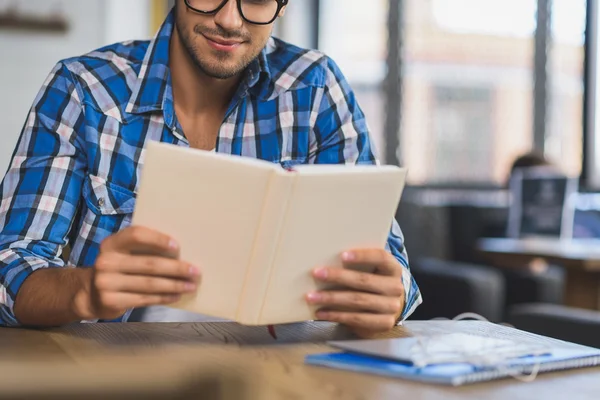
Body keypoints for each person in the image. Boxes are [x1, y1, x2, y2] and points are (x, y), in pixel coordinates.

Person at [0, 0, 421, 336]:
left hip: (282, 375)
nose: (228, 19)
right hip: (119, 371)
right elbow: (10, 266)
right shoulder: (83, 88)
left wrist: (390, 293)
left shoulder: (315, 89)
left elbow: (386, 259)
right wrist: (86, 290)